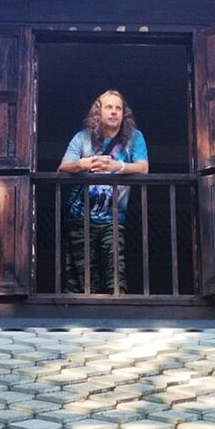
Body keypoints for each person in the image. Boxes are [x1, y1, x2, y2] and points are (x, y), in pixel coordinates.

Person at [58, 89, 148, 293]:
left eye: (119, 108)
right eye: (109, 107)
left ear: (124, 114)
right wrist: (85, 163)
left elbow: (143, 167)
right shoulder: (82, 138)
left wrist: (118, 167)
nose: (114, 112)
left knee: (116, 271)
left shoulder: (134, 138)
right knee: (84, 277)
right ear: (98, 112)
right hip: (80, 217)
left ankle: (117, 317)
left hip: (114, 219)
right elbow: (63, 167)